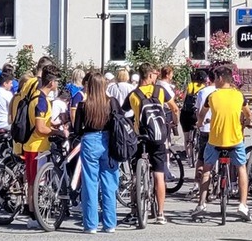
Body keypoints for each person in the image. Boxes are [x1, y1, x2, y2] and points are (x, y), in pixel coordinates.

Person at [196, 65, 251, 221]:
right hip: (235, 140)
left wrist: (200, 123)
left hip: (215, 140)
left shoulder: (212, 96)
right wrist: (247, 121)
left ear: (220, 79)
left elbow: (202, 114)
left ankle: (201, 204)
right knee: (241, 168)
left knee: (207, 168)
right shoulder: (239, 96)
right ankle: (242, 205)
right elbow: (248, 113)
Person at [127, 66, 177, 224]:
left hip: (141, 136)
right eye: (154, 74)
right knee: (159, 174)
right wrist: (173, 124)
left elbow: (122, 112)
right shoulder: (160, 91)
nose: (155, 77)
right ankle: (161, 214)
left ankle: (135, 211)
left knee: (136, 175)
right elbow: (174, 108)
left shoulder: (134, 94)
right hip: (158, 137)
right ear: (149, 75)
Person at [11, 67, 63, 216]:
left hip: (30, 144)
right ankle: (34, 214)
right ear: (51, 82)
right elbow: (40, 128)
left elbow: (39, 122)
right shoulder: (41, 101)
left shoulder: (36, 97)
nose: (57, 84)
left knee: (32, 180)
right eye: (57, 81)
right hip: (37, 146)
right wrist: (57, 132)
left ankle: (30, 209)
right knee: (35, 181)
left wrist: (53, 124)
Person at [73, 77, 120, 232]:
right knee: (109, 182)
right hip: (108, 141)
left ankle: (91, 224)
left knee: (90, 183)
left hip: (90, 140)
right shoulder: (111, 102)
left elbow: (78, 129)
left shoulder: (84, 105)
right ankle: (110, 223)